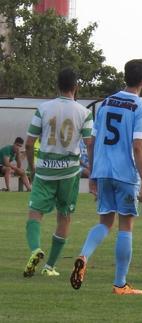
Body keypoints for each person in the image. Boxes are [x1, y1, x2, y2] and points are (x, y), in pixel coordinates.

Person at [70, 59, 142, 295]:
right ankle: (120, 283)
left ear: (125, 77)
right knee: (125, 225)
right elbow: (138, 146)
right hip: (125, 173)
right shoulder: (141, 107)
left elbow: (92, 142)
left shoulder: (105, 103)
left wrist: (93, 174)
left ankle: (84, 255)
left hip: (102, 170)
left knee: (104, 222)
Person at [22, 68, 93, 278]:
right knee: (64, 217)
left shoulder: (43, 109)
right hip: (69, 173)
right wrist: (93, 169)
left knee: (35, 214)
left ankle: (36, 249)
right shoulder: (84, 112)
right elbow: (90, 143)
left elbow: (28, 143)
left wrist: (32, 168)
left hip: (45, 170)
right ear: (75, 87)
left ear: (57, 86)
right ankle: (49, 266)